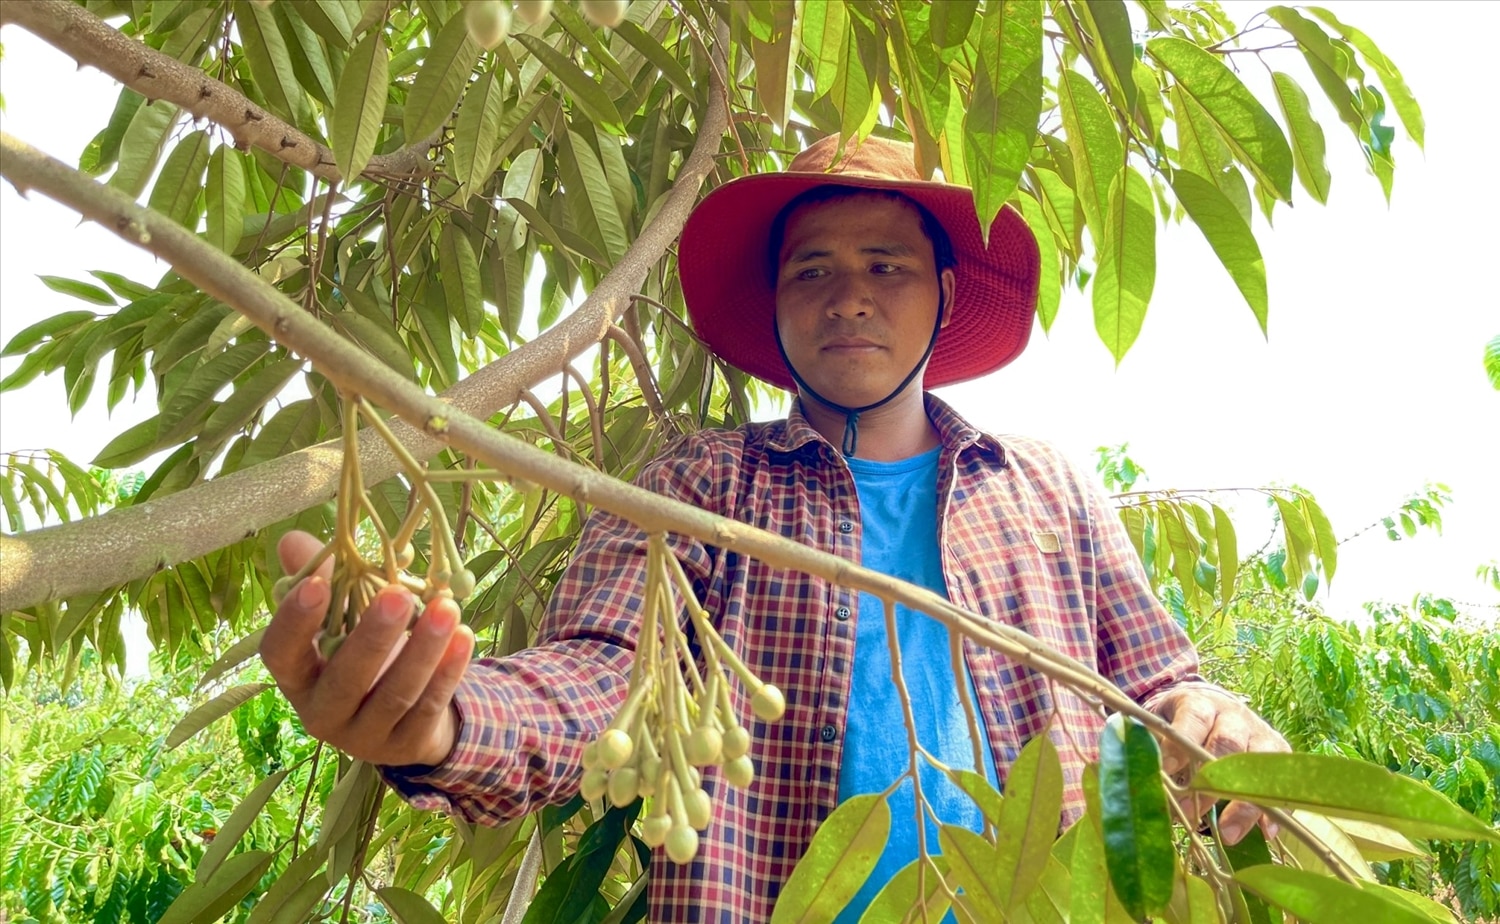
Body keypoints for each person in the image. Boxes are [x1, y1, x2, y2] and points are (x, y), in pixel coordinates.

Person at [261, 134, 1289, 922]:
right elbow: (605, 676)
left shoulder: (1048, 489)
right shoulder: (703, 485)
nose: (849, 298)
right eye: (812, 271)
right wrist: (443, 723)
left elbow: (1162, 684)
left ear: (943, 295)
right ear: (781, 306)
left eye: (886, 266)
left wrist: (1218, 725)